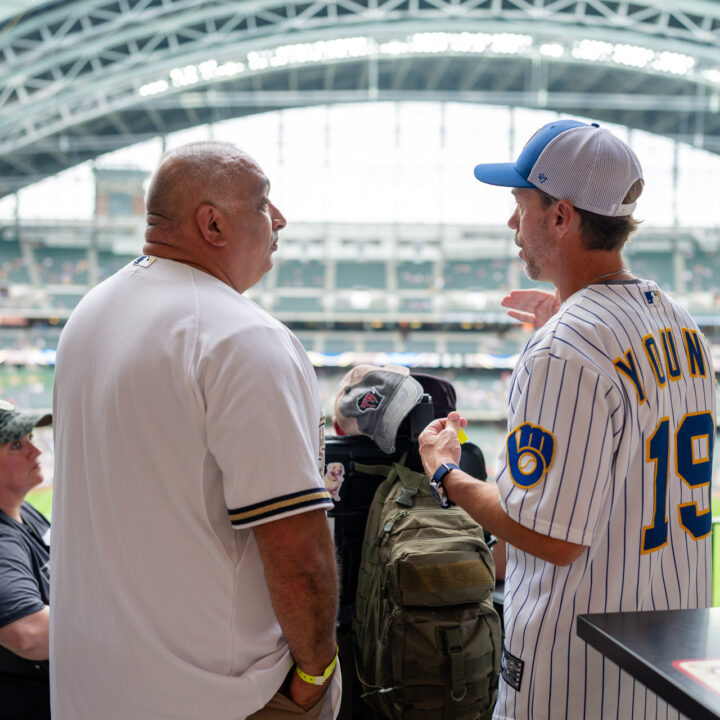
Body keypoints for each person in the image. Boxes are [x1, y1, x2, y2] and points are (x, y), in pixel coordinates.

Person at [418, 118, 716, 720]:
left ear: (561, 217)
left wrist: (446, 474)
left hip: (577, 677)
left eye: (520, 204)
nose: (511, 223)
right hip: (669, 670)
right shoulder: (681, 321)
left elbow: (550, 538)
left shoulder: (562, 349)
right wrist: (566, 316)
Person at [50, 142, 340, 720]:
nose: (278, 219)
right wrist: (315, 676)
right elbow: (295, 545)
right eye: (263, 203)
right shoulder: (239, 336)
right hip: (217, 697)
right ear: (212, 223)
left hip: (94, 687)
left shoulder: (90, 312)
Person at [0, 401, 52, 720]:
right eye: (17, 444)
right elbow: (28, 634)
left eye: (31, 438)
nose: (36, 452)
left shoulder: (25, 511)